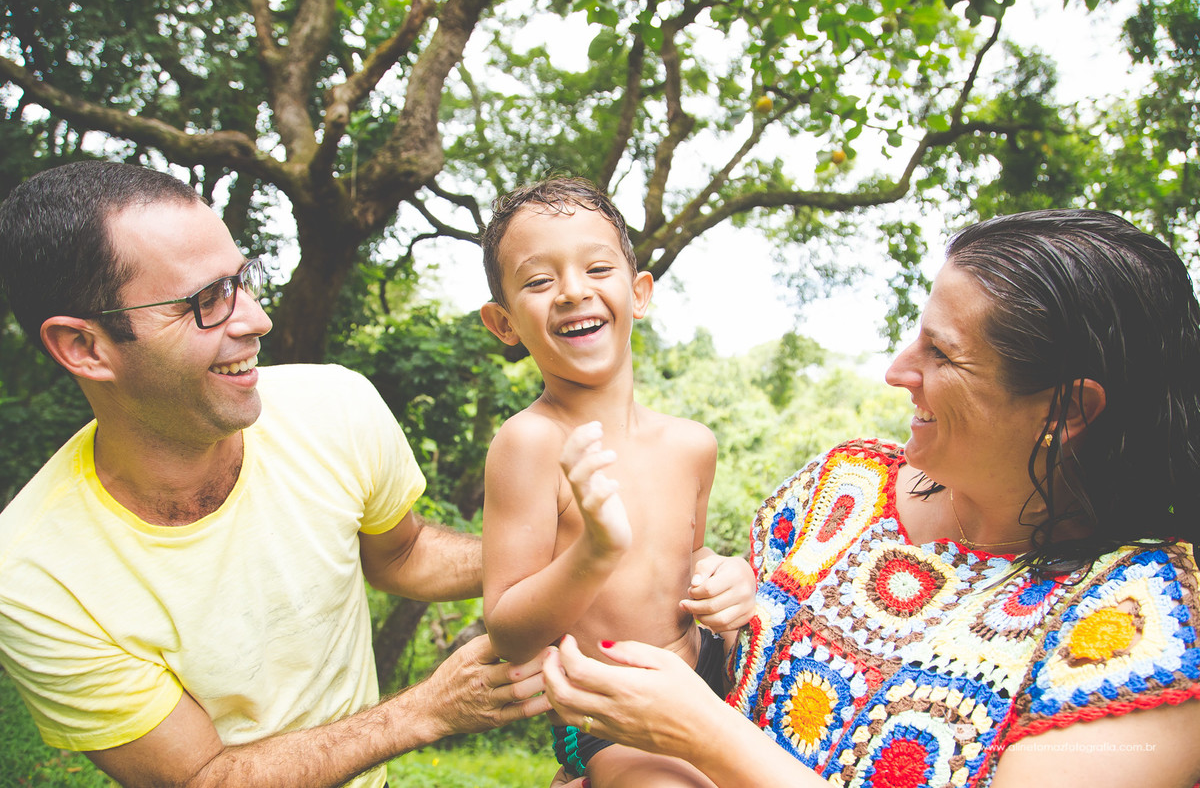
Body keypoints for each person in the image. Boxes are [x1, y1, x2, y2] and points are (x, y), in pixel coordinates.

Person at [542, 209, 1200, 787]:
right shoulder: (844, 485)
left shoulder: (1149, 630)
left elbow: (705, 720)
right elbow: (720, 659)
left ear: (1068, 411)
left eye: (941, 353)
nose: (897, 370)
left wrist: (704, 735)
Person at [0, 161, 551, 788]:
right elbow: (201, 778)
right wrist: (425, 711)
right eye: (204, 302)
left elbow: (401, 553)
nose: (256, 319)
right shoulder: (33, 578)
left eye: (242, 280)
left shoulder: (334, 407)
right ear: (84, 347)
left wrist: (572, 552)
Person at [477, 177, 756, 786]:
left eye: (597, 268)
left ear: (639, 292)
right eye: (538, 280)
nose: (573, 292)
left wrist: (730, 577)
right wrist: (596, 549)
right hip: (607, 711)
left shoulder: (692, 444)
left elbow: (689, 556)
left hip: (711, 680)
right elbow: (509, 628)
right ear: (503, 323)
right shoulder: (530, 443)